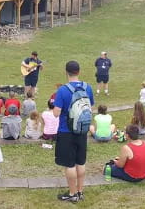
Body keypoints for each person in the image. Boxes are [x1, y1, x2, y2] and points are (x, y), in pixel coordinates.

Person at [53, 60, 94, 203]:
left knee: (69, 164)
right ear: (79, 72)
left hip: (66, 131)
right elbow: (90, 107)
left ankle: (72, 193)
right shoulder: (87, 87)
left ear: (66, 72)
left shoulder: (63, 90)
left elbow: (56, 114)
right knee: (80, 162)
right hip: (82, 130)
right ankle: (80, 191)